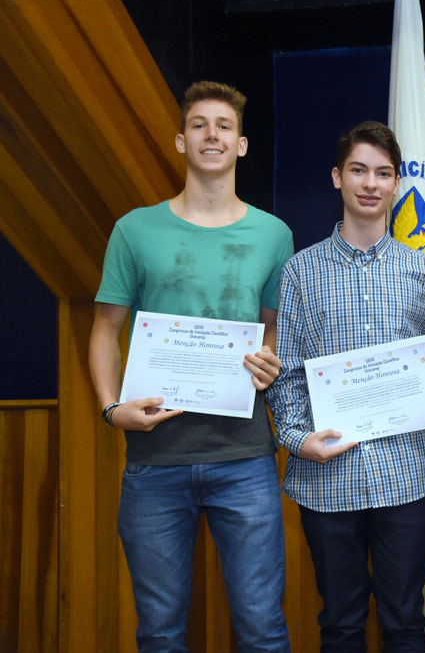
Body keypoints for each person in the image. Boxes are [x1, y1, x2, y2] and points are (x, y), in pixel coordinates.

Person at [89, 81, 293, 652]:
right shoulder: (135, 229)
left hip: (245, 459)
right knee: (159, 633)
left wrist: (268, 362)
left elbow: (271, 328)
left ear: (242, 144)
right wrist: (111, 409)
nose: (211, 135)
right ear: (181, 140)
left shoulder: (274, 234)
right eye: (199, 125)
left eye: (223, 126)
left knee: (263, 630)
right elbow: (104, 330)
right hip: (156, 462)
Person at [268, 120, 425, 652]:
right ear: (337, 178)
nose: (371, 184)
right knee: (340, 625)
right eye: (359, 171)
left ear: (396, 184)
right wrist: (299, 441)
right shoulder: (300, 272)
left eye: (383, 173)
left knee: (406, 624)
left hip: (406, 477)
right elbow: (287, 370)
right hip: (327, 481)